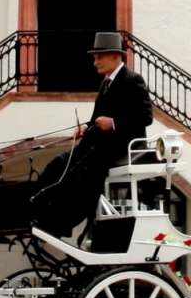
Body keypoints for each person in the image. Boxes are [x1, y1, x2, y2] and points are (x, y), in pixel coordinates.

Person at [29, 32, 152, 243]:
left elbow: (145, 117)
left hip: (118, 146)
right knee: (57, 164)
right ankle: (39, 213)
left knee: (81, 175)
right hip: (96, 144)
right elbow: (97, 118)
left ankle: (58, 224)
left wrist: (113, 123)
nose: (95, 62)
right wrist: (86, 127)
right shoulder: (105, 83)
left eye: (99, 57)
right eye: (95, 57)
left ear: (115, 56)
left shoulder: (132, 80)